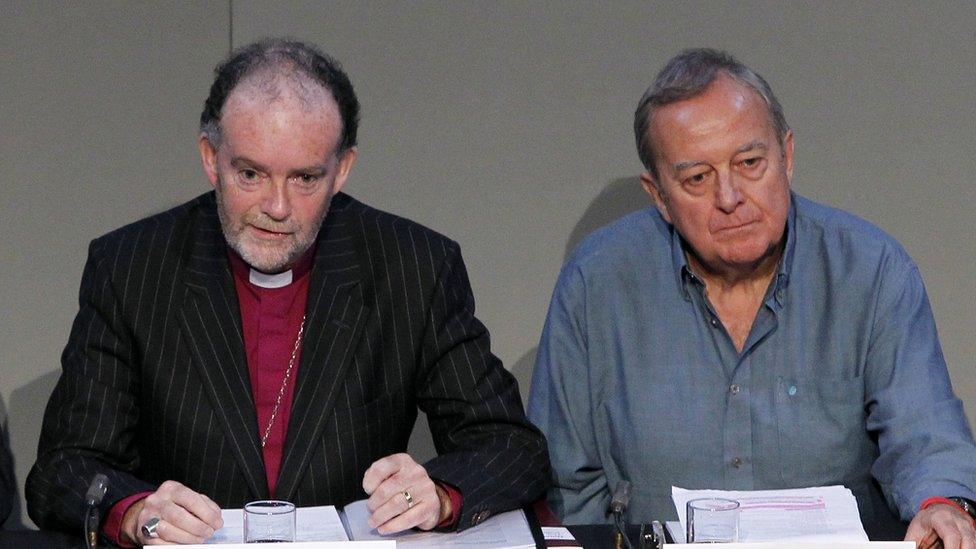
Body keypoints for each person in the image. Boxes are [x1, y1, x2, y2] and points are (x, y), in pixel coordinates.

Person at [26, 38, 549, 546]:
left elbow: (511, 448)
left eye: (304, 178)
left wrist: (440, 494)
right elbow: (63, 469)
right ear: (211, 158)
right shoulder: (132, 268)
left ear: (341, 169)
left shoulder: (413, 267)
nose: (277, 207)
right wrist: (137, 513)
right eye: (250, 173)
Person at [527, 48, 976, 546]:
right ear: (659, 197)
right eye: (698, 177)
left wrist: (943, 505)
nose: (729, 197)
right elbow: (565, 481)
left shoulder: (871, 271)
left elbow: (924, 432)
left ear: (786, 157)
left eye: (749, 163)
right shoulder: (597, 282)